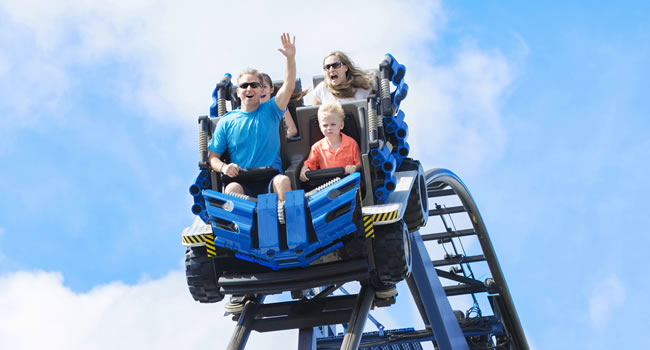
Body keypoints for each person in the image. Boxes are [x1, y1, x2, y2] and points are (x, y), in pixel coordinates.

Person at [208, 33, 296, 201]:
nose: (250, 88)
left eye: (254, 85)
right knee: (231, 189)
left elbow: (289, 86)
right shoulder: (227, 121)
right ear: (238, 91)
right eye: (244, 85)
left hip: (270, 177)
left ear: (260, 89)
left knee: (283, 181)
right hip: (243, 180)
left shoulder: (271, 109)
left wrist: (290, 59)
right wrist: (224, 168)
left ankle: (287, 223)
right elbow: (213, 158)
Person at [300, 101, 361, 182]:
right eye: (325, 125)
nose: (329, 128)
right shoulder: (317, 147)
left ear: (341, 125)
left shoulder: (351, 143)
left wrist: (354, 168)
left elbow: (360, 164)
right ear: (320, 127)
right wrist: (303, 171)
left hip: (350, 184)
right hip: (328, 186)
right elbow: (309, 165)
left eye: (333, 124)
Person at [260, 73, 299, 138]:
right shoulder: (251, 110)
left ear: (271, 89)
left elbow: (292, 130)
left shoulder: (280, 105)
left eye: (264, 86)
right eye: (258, 87)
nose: (262, 90)